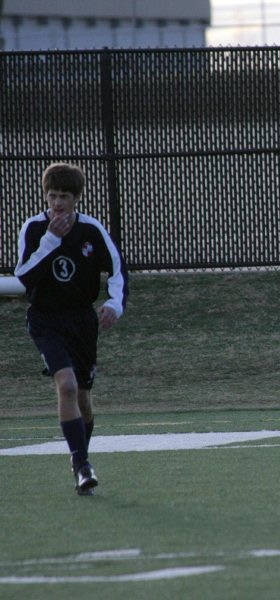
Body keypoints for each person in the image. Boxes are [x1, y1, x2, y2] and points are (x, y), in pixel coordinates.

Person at [15, 163, 129, 496]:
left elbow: (118, 270)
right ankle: (82, 465)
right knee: (66, 385)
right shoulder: (35, 229)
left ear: (76, 198)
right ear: (45, 196)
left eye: (65, 196)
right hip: (46, 320)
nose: (58, 203)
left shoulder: (92, 230)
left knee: (83, 398)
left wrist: (114, 304)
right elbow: (23, 277)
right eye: (52, 196)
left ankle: (81, 455)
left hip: (81, 321)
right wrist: (52, 240)